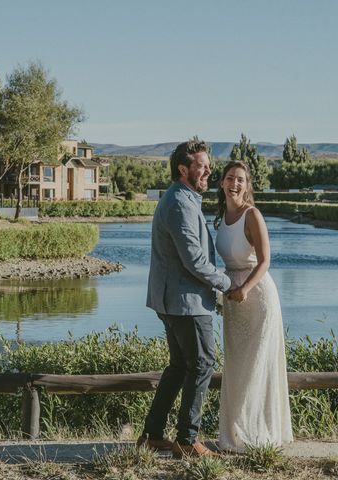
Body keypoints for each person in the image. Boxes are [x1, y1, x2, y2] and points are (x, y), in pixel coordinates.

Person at [138, 138, 232, 458]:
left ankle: (152, 435)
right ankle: (187, 440)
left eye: (208, 165)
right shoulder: (180, 202)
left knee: (179, 366)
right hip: (186, 301)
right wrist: (226, 284)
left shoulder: (183, 198)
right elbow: (193, 258)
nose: (209, 170)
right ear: (183, 169)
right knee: (203, 363)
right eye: (202, 166)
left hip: (175, 299)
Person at [214, 160, 293, 453]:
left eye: (241, 180)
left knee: (255, 365)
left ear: (248, 187)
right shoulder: (220, 216)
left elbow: (265, 261)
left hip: (256, 295)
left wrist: (245, 289)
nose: (235, 184)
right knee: (236, 366)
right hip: (232, 298)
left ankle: (257, 434)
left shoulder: (252, 215)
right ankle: (235, 434)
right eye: (230, 178)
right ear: (221, 182)